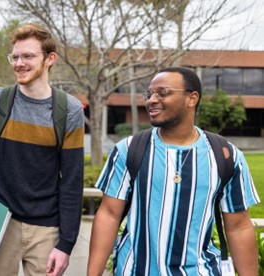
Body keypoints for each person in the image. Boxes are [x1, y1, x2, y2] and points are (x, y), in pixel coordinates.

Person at [88, 67, 260, 275]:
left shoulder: (226, 156)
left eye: (163, 93)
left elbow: (239, 227)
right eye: (149, 94)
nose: (151, 100)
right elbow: (109, 215)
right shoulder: (129, 150)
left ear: (191, 98)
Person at [0, 23, 85, 276]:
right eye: (15, 56)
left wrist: (66, 244)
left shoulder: (69, 110)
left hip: (47, 229)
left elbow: (72, 182)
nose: (19, 63)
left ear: (50, 59)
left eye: (28, 56)